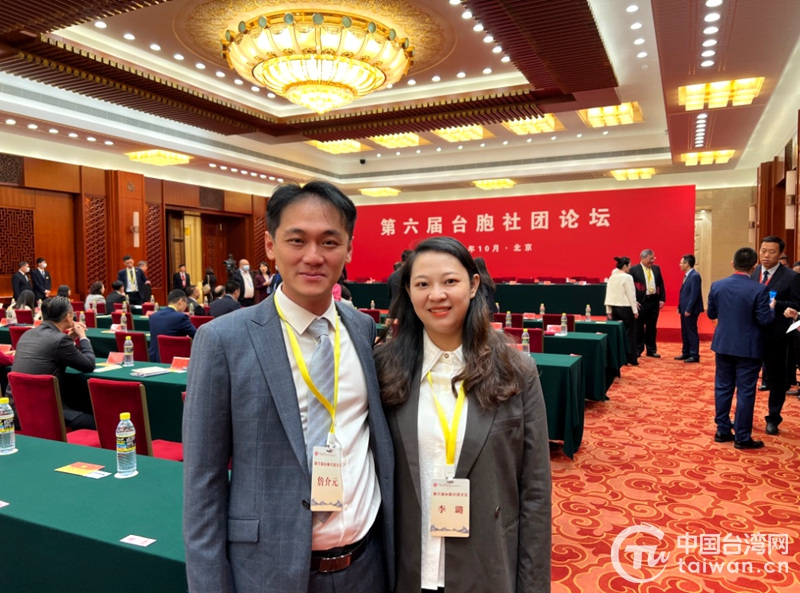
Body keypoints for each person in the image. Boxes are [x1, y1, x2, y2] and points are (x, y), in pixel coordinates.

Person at [183, 180, 394, 593]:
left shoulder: (362, 328)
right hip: (268, 572)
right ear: (270, 245)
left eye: (329, 242)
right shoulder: (222, 340)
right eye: (297, 240)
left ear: (349, 249)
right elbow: (202, 483)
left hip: (365, 567)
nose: (313, 256)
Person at [374, 236, 550, 592]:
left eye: (450, 281)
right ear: (408, 292)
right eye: (422, 284)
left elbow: (535, 492)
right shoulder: (384, 369)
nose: (436, 295)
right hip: (406, 569)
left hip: (487, 568)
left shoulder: (516, 371)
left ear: (472, 286)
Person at [707, 247, 775, 450]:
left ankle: (722, 430)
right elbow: (765, 320)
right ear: (755, 266)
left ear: (732, 264)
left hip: (723, 344)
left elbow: (711, 314)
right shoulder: (759, 289)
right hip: (748, 347)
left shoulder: (717, 285)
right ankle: (742, 436)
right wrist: (771, 309)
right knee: (745, 392)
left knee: (722, 387)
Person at [6, 295, 96, 430]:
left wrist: (69, 338)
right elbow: (89, 364)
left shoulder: (27, 334)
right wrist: (83, 337)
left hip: (15, 410)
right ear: (68, 317)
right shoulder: (59, 340)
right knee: (99, 422)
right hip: (42, 412)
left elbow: (51, 349)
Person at [750, 235, 800, 436]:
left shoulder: (791, 277)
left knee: (778, 380)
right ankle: (745, 416)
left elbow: (797, 304)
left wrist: (777, 304)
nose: (766, 255)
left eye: (771, 252)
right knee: (748, 377)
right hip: (753, 334)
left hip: (778, 337)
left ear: (780, 254)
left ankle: (773, 418)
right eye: (763, 251)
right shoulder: (754, 272)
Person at [629, 249, 666, 358]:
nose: (652, 261)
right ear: (642, 258)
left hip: (653, 301)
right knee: (638, 327)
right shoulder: (634, 270)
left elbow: (661, 284)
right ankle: (638, 349)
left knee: (652, 327)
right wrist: (633, 301)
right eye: (650, 259)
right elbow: (630, 287)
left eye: (653, 258)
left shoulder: (656, 268)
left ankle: (651, 350)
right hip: (641, 302)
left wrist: (662, 299)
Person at [604, 256, 639, 366]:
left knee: (618, 334)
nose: (630, 267)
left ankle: (619, 358)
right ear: (625, 266)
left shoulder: (612, 277)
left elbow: (608, 294)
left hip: (615, 309)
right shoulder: (627, 277)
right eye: (629, 265)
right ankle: (630, 358)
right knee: (629, 334)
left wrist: (608, 310)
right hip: (626, 308)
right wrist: (635, 311)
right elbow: (631, 294)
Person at [148, 289, 196, 363]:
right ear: (180, 301)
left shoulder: (153, 317)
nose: (186, 306)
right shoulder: (181, 317)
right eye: (186, 303)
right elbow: (196, 335)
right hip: (175, 361)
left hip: (154, 360)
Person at [676, 254, 704, 363]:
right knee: (685, 331)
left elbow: (694, 295)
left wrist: (689, 309)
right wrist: (680, 307)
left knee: (691, 331)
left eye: (681, 263)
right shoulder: (687, 276)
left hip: (690, 310)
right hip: (684, 309)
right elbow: (684, 293)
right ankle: (686, 352)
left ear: (687, 264)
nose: (680, 265)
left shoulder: (695, 276)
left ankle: (694, 354)